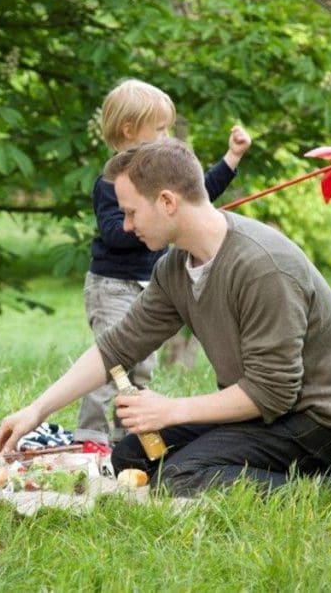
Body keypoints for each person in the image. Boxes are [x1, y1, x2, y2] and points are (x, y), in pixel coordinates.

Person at [0, 140, 331, 496]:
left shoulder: (263, 267)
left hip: (315, 425)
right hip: (261, 412)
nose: (125, 226)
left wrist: (171, 410)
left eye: (130, 212)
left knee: (177, 475)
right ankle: (239, 468)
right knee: (131, 456)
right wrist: (37, 410)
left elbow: (273, 392)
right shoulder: (175, 268)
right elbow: (117, 347)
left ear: (167, 201)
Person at [77, 79, 253, 445]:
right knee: (111, 363)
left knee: (141, 368)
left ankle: (131, 435)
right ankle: (90, 436)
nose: (167, 135)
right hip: (113, 284)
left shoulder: (157, 179)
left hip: (148, 286)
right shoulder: (111, 182)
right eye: (159, 129)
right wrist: (150, 223)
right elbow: (112, 232)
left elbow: (196, 195)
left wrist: (231, 159)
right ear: (130, 129)